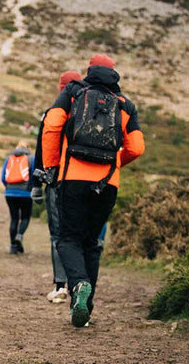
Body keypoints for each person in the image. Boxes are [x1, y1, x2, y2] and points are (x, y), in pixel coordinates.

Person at [41, 54, 145, 327]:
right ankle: (86, 311)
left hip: (72, 178)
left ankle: (79, 286)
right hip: (107, 184)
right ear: (114, 74)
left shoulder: (74, 93)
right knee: (91, 244)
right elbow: (137, 147)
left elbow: (51, 125)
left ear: (88, 71)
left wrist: (52, 166)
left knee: (67, 239)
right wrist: (114, 163)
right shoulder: (125, 104)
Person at [37, 70, 84, 303]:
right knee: (81, 234)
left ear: (61, 88)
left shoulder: (55, 112)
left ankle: (60, 285)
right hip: (86, 181)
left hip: (57, 181)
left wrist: (38, 184)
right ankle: (82, 284)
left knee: (58, 234)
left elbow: (42, 148)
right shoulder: (89, 113)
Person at [1, 140, 36, 254]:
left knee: (14, 219)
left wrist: (9, 187)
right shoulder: (31, 158)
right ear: (28, 147)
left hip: (10, 193)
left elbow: (2, 177)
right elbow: (34, 176)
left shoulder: (8, 158)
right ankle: (19, 235)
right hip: (25, 193)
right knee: (25, 217)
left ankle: (13, 247)